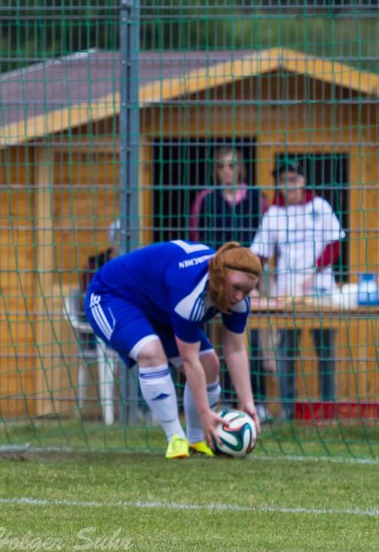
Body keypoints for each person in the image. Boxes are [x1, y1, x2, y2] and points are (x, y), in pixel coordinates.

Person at [85, 240, 263, 459]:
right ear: (219, 275)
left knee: (210, 365)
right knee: (151, 352)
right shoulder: (190, 290)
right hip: (112, 296)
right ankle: (176, 439)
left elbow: (235, 349)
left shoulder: (239, 299)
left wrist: (247, 401)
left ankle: (197, 441)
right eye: (236, 287)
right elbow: (189, 362)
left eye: (247, 291)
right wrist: (206, 412)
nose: (239, 297)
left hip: (160, 308)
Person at [249, 158, 345, 419]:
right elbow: (260, 253)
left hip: (320, 290)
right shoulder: (273, 215)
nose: (289, 185)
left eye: (294, 179)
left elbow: (335, 244)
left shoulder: (320, 206)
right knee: (286, 352)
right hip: (287, 293)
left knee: (325, 350)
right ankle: (288, 409)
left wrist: (313, 272)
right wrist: (251, 282)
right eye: (283, 181)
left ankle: (328, 407)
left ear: (303, 181)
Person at [188, 147, 269, 420]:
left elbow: (267, 239)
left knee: (250, 340)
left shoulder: (258, 199)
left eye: (232, 166)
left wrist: (252, 281)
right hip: (215, 282)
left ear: (241, 169)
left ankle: (255, 401)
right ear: (216, 170)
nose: (227, 171)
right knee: (208, 345)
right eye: (222, 166)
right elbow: (196, 237)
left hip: (249, 283)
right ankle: (214, 400)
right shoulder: (206, 199)